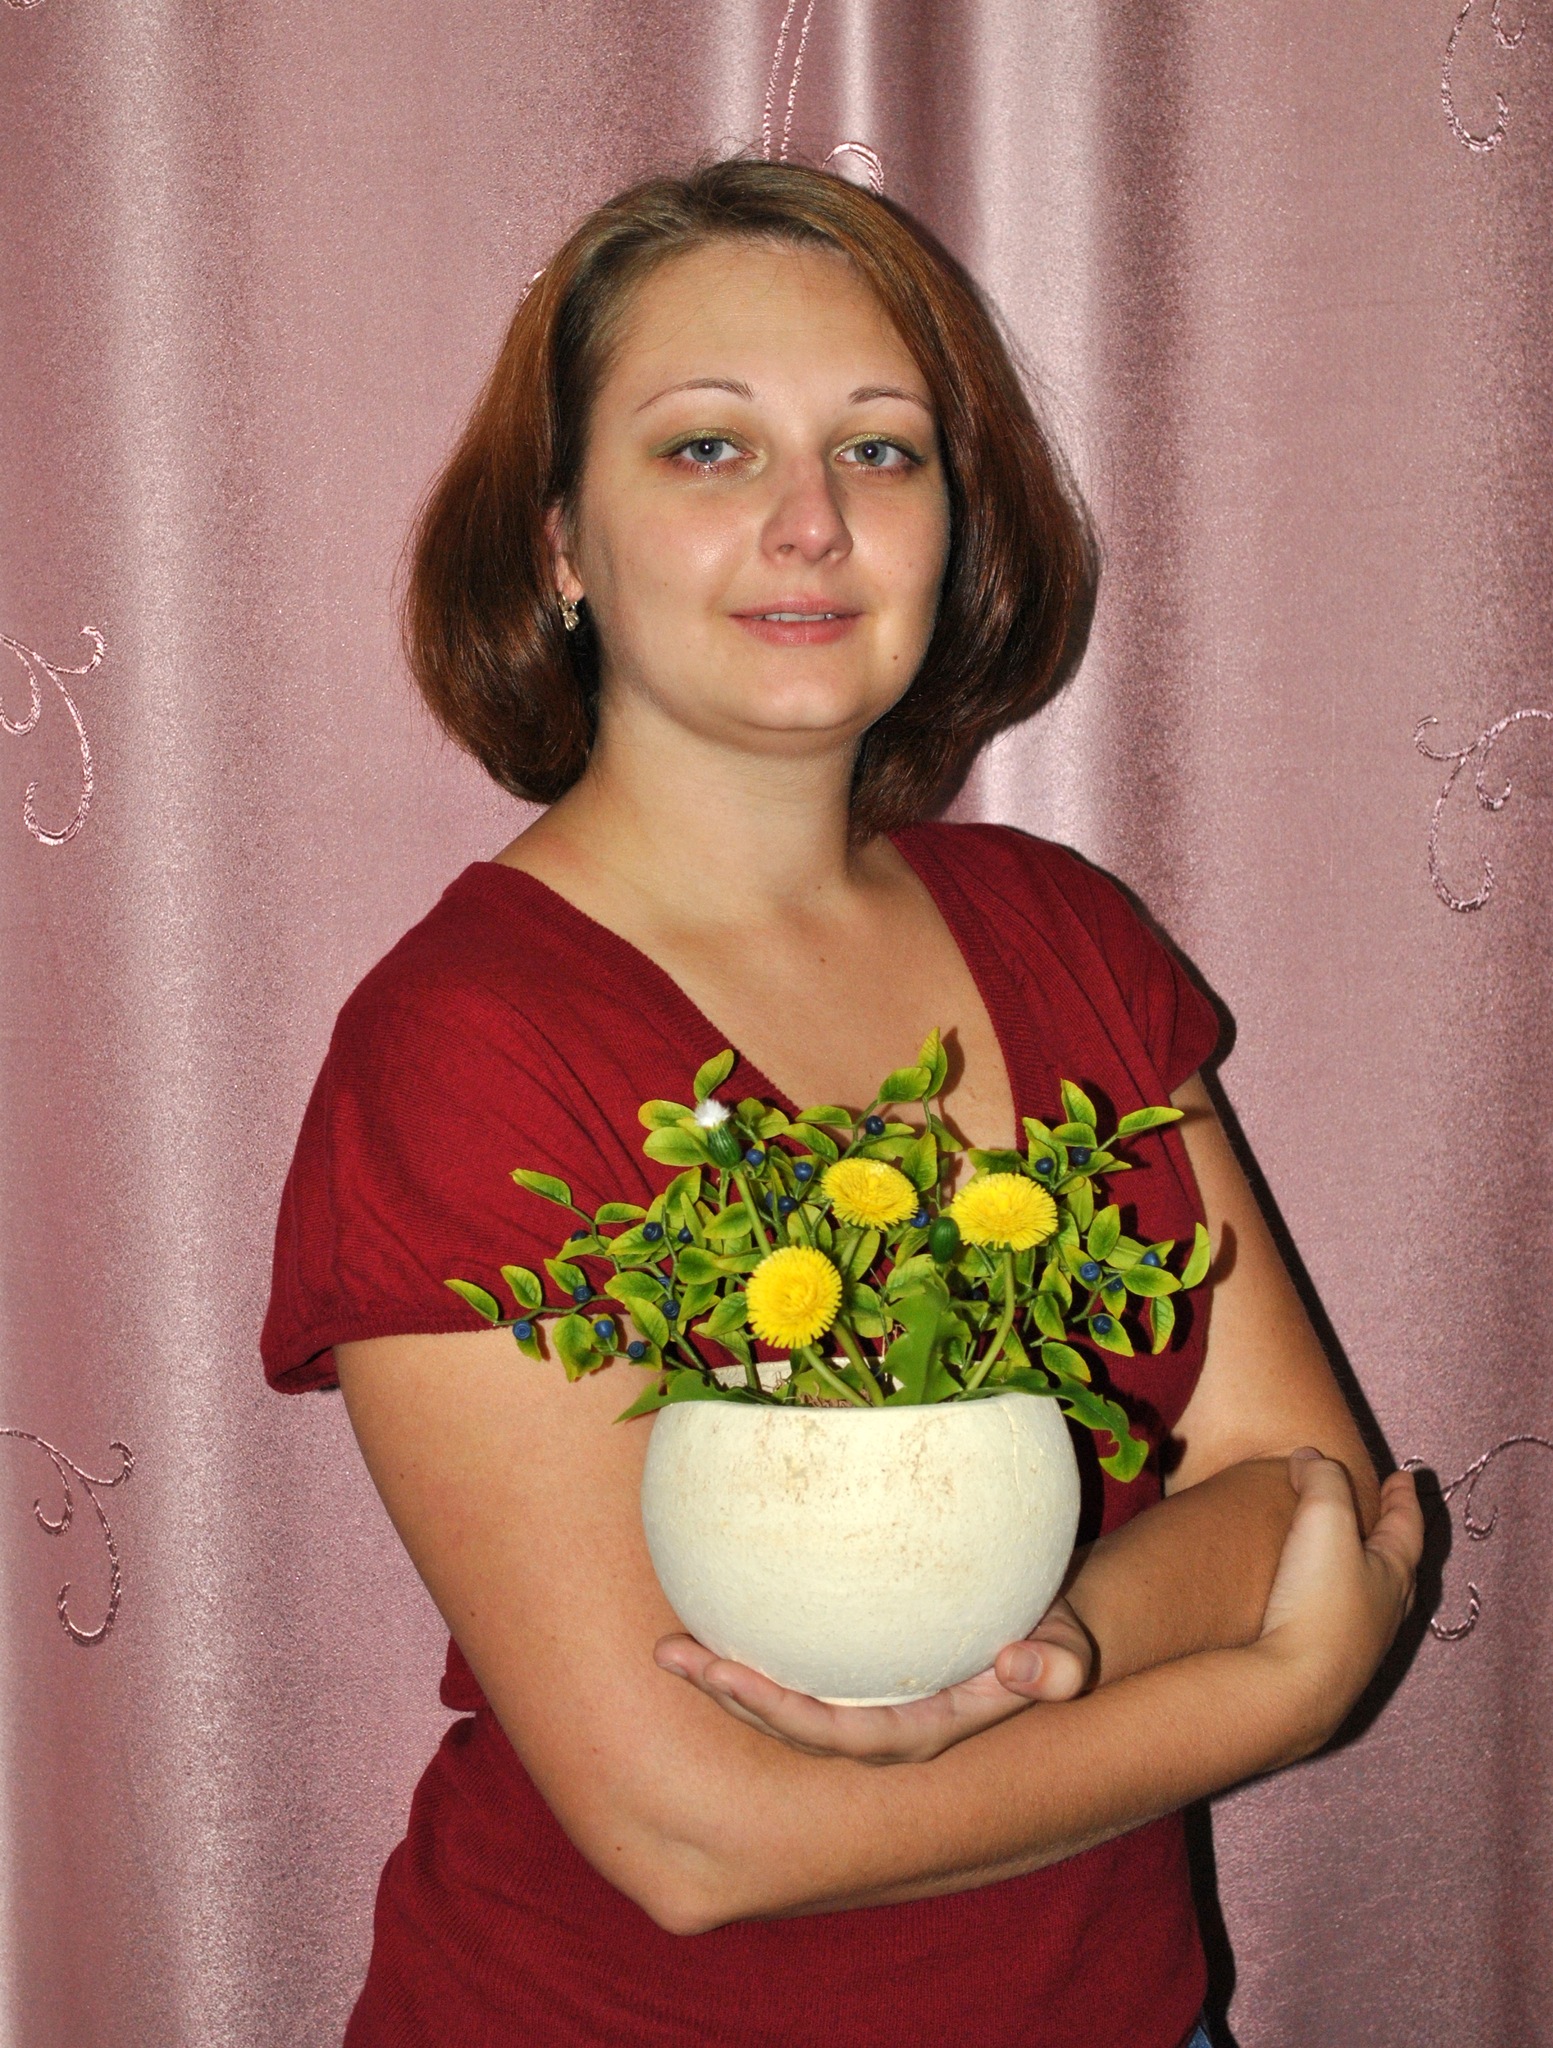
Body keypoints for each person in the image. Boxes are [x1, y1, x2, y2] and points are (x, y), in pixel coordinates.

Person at [261, 158, 1422, 2048]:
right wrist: (1268, 1694)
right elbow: (693, 1836)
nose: (810, 523)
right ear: (558, 547)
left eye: (879, 452)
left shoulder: (1060, 931)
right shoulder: (465, 1042)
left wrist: (1024, 1667)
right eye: (707, 449)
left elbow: (1302, 1492)